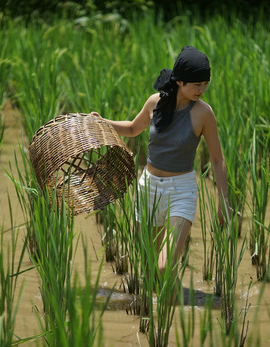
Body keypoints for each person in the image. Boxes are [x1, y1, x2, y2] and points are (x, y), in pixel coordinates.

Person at [94, 45, 232, 290]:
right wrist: (102, 122)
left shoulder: (203, 113)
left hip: (181, 191)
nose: (201, 90)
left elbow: (218, 160)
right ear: (179, 82)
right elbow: (133, 129)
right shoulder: (155, 102)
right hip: (149, 188)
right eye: (196, 84)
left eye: (205, 84)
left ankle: (174, 303)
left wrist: (223, 201)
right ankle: (168, 310)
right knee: (151, 268)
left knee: (162, 265)